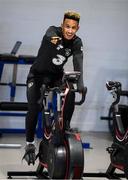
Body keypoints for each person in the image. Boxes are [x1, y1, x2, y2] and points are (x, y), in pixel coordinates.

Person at [23, 10, 85, 165]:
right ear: (62, 25)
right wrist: (54, 40)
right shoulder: (53, 31)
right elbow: (48, 34)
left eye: (73, 28)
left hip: (56, 77)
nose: (70, 30)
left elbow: (78, 61)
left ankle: (66, 127)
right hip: (37, 76)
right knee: (35, 107)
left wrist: (80, 83)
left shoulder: (77, 42)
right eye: (67, 26)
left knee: (69, 89)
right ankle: (29, 144)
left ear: (77, 28)